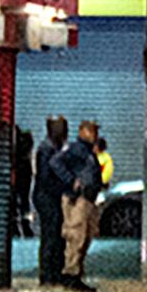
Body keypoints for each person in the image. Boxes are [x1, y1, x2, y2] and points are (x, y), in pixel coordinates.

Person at [60, 121, 107, 283]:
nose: (96, 135)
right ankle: (70, 273)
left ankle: (76, 272)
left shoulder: (88, 151)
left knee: (85, 235)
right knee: (76, 235)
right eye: (92, 132)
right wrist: (71, 181)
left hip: (88, 199)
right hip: (79, 199)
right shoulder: (76, 149)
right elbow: (56, 163)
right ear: (83, 132)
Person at [29, 115, 73, 286]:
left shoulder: (52, 148)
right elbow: (46, 178)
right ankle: (48, 274)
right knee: (50, 236)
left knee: (55, 236)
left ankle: (54, 272)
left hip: (49, 196)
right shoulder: (47, 149)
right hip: (47, 198)